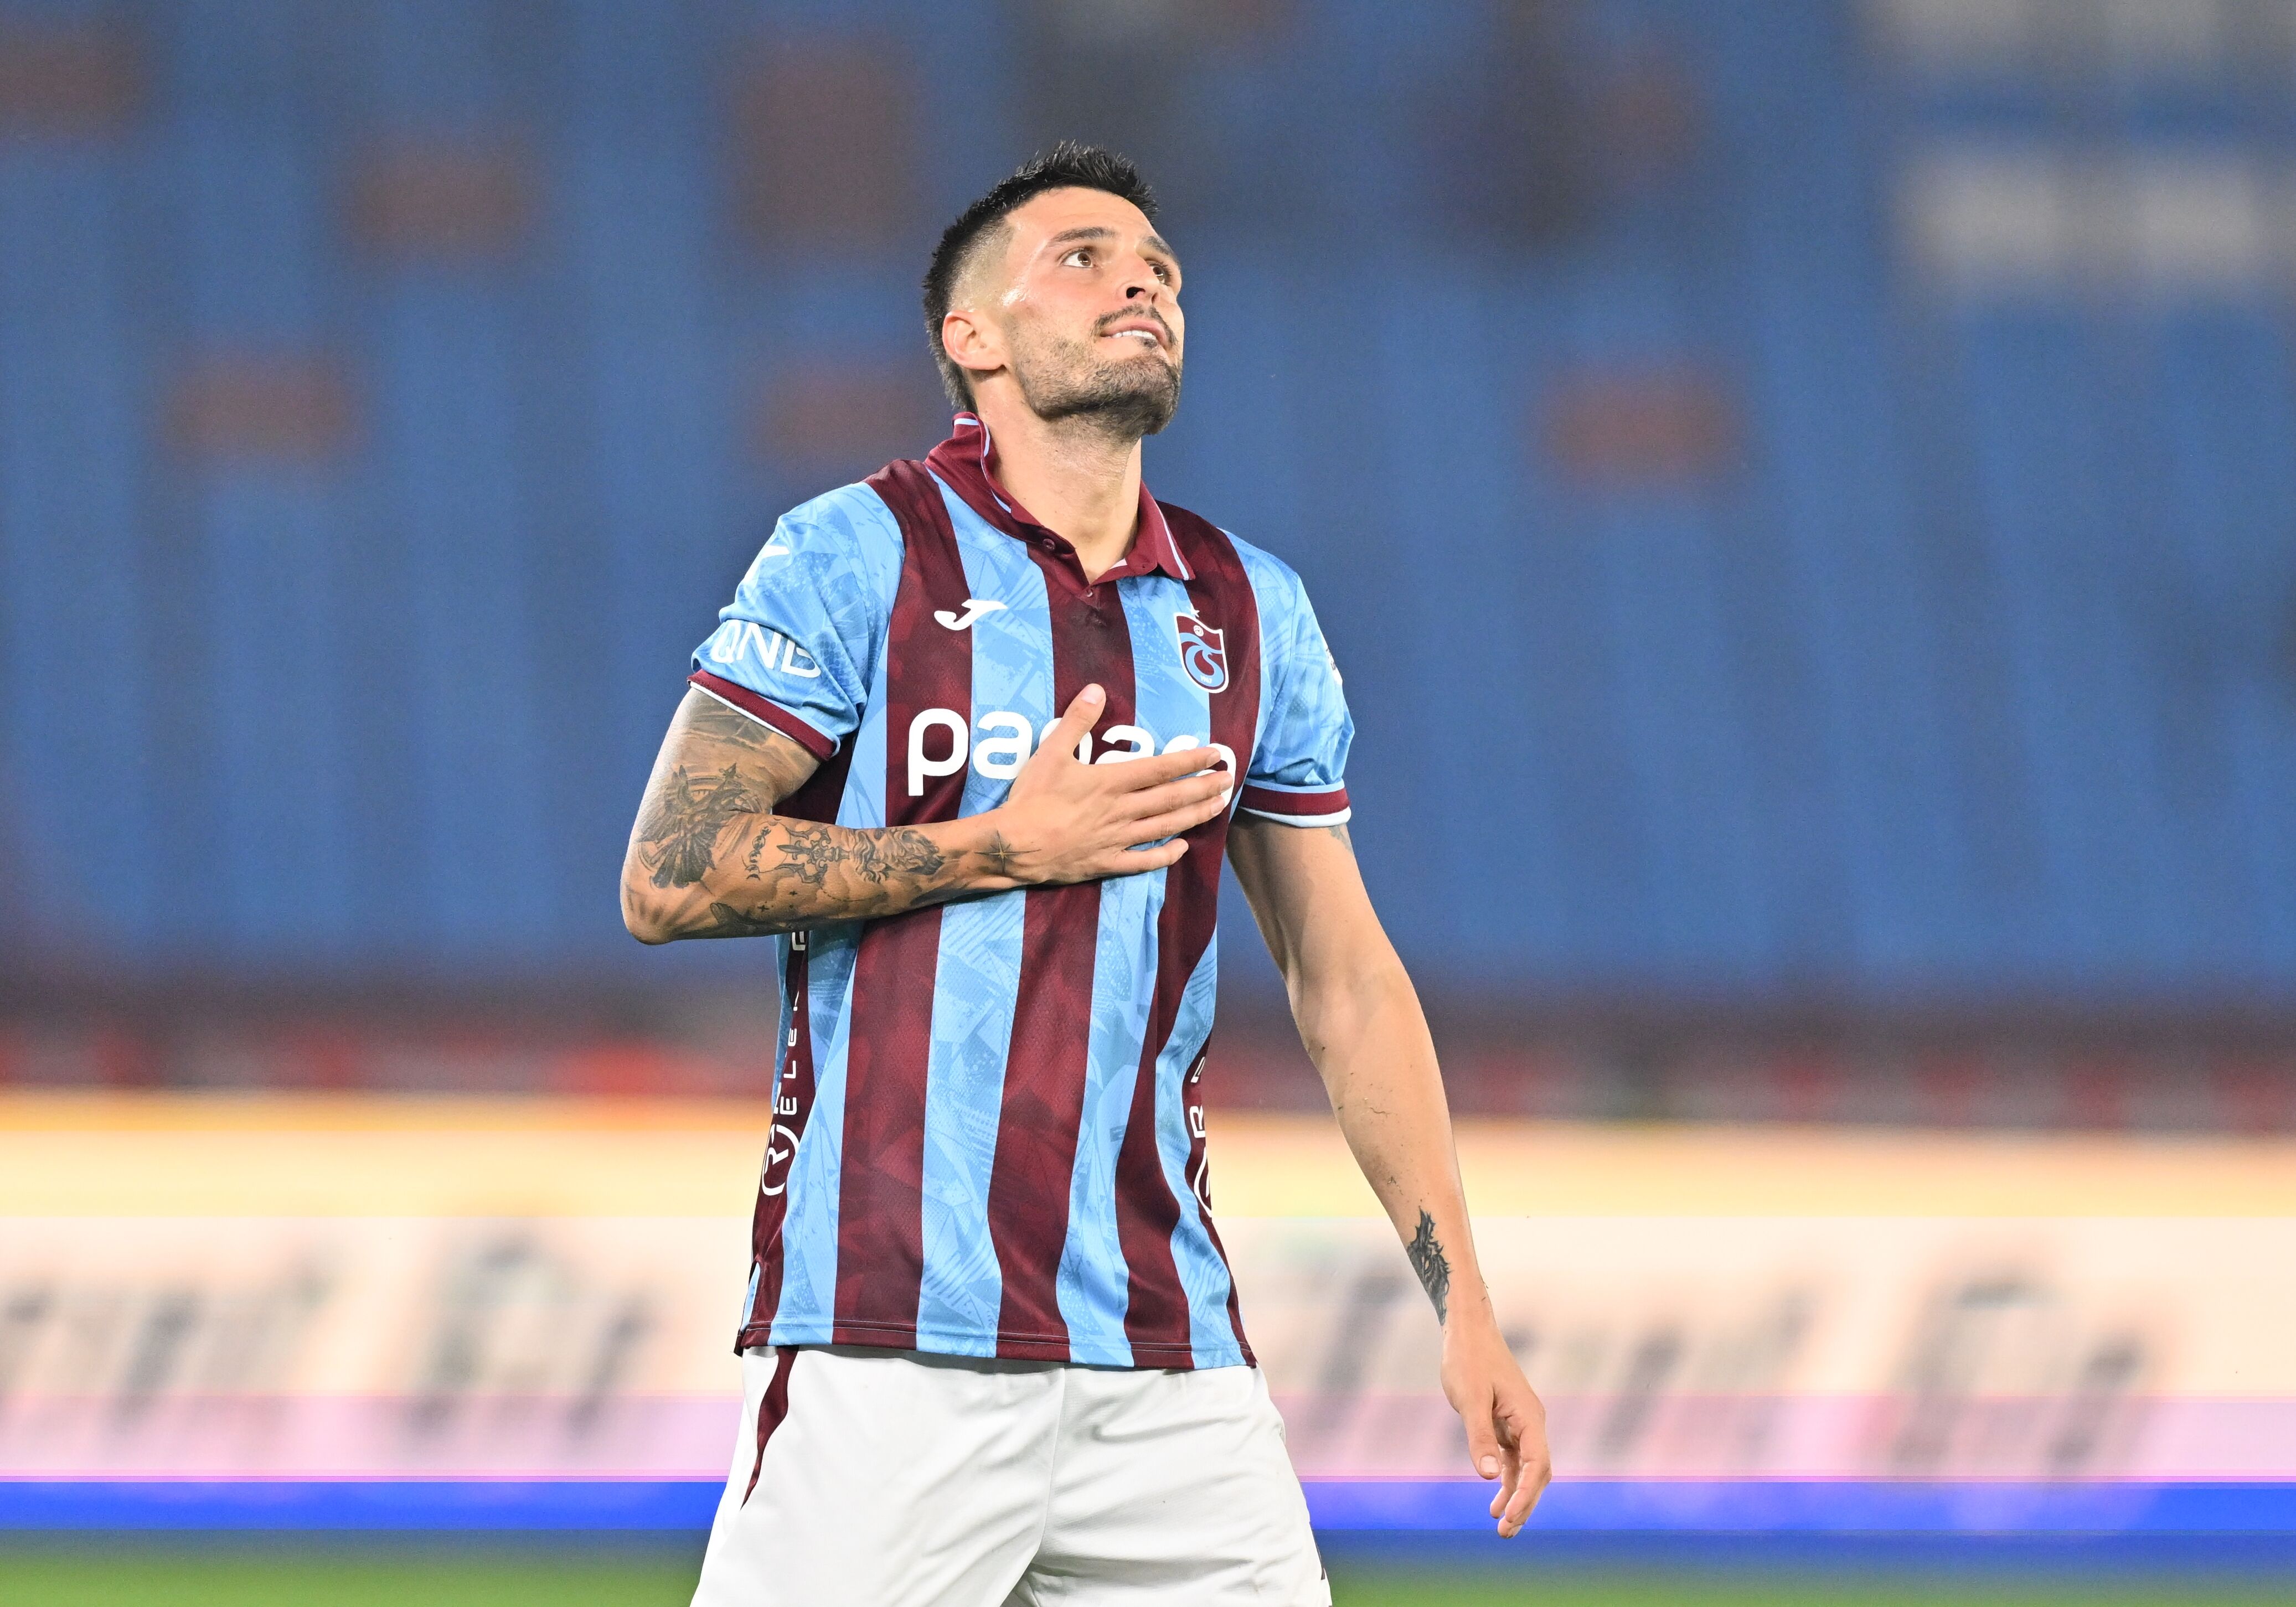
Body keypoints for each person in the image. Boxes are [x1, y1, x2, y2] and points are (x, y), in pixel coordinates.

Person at [623, 142, 1549, 1607]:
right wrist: (1004, 844)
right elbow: (669, 873)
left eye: (1159, 267)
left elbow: (1347, 982)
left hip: (1166, 1356)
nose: (1140, 283)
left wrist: (1465, 1306)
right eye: (1082, 257)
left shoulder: (1252, 612)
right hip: (890, 1341)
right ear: (971, 337)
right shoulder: (853, 554)